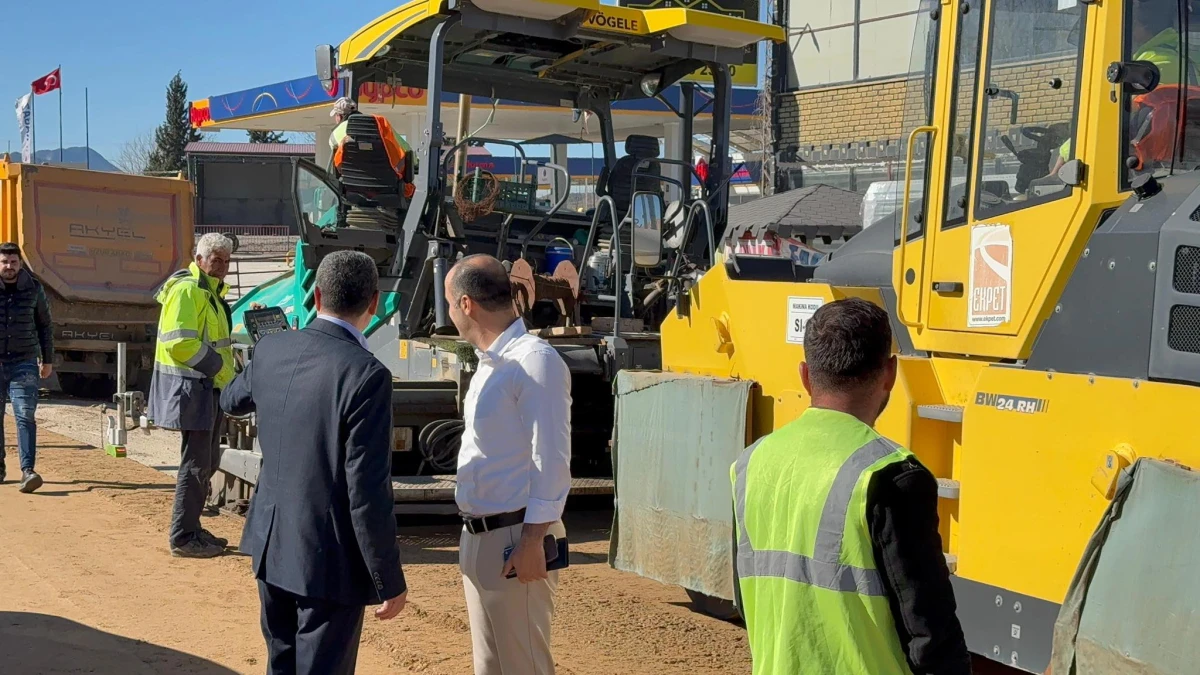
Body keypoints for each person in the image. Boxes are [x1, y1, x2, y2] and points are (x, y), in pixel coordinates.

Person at [731, 298, 971, 675]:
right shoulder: (893, 476)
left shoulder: (750, 463)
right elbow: (929, 633)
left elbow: (748, 600)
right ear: (890, 374)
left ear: (805, 375)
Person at [221, 250, 407, 675]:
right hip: (328, 560)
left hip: (271, 543)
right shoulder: (366, 373)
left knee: (280, 661)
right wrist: (387, 576)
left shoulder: (271, 348)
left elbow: (231, 400)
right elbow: (367, 490)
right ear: (375, 302)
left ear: (316, 296)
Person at [445, 254, 572, 675]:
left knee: (524, 666)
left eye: (448, 303)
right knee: (490, 667)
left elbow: (551, 458)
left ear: (466, 305)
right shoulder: (493, 363)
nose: (449, 313)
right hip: (481, 538)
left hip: (516, 540)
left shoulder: (534, 360)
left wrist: (533, 541)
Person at [149, 233, 236, 558]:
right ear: (199, 259)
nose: (222, 266)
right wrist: (219, 368)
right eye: (216, 260)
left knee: (207, 460)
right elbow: (179, 342)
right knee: (197, 464)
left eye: (226, 261)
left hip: (207, 387)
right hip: (192, 388)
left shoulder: (209, 292)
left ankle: (192, 528)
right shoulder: (188, 290)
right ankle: (183, 537)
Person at [1048, 0, 1196, 178]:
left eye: (1131, 24)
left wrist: (1067, 152)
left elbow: (1113, 122)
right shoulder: (1183, 58)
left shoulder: (1151, 66)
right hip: (1172, 169)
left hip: (1143, 169)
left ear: (1141, 27)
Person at [0, 243, 53, 493]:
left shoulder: (34, 288)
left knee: (25, 415)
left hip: (24, 361)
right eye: (4, 262)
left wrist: (48, 359)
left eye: (13, 262)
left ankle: (28, 471)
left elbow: (45, 325)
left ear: (20, 264)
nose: (9, 266)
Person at [328, 96, 416, 197]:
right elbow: (407, 150)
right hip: (388, 189)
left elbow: (337, 164)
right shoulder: (380, 125)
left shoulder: (335, 135)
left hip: (353, 190)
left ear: (339, 116)